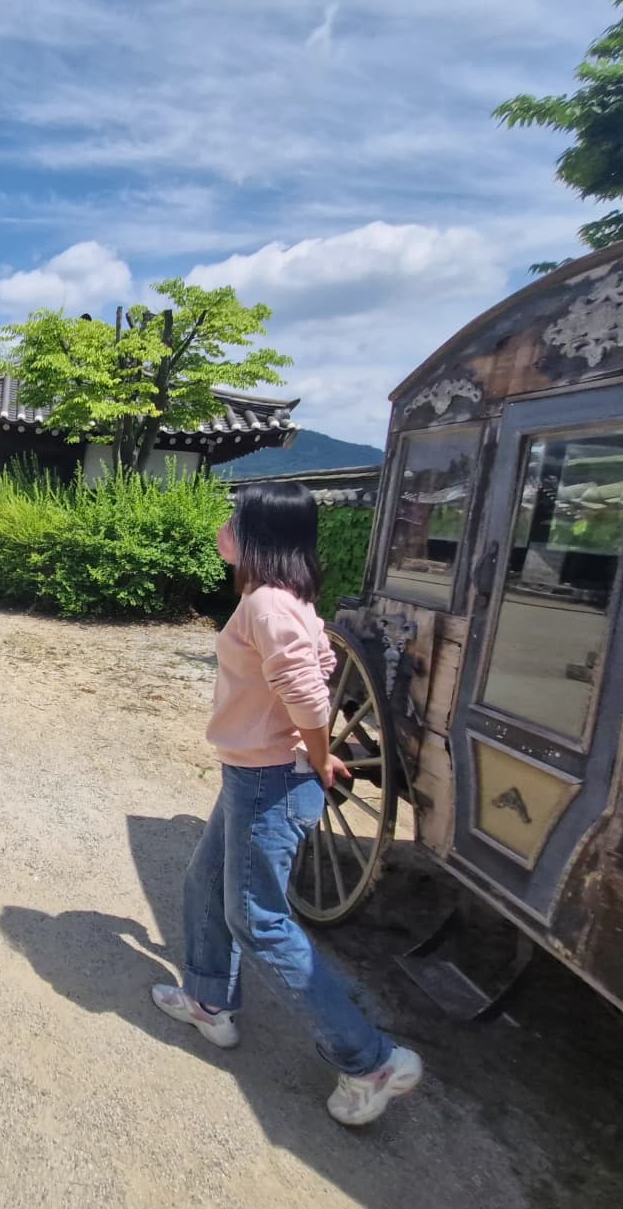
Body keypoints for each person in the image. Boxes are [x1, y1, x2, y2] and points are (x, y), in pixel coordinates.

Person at [152, 482, 422, 1127]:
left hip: (269, 776)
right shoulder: (279, 598)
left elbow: (306, 690)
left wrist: (317, 748)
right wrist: (314, 748)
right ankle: (210, 1001)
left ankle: (369, 1060)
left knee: (259, 920)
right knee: (205, 880)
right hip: (257, 769)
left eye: (234, 519)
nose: (223, 527)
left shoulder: (269, 603)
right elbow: (319, 665)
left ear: (259, 537)